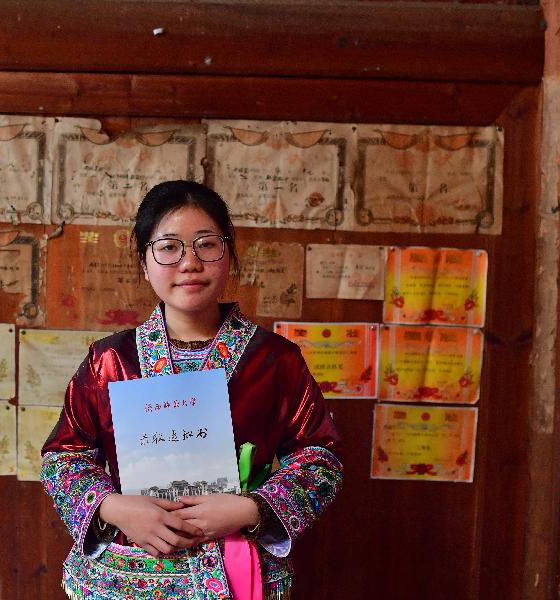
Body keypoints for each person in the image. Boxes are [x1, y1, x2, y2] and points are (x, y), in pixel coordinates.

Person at [42, 180, 343, 600]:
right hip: (124, 575)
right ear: (144, 262)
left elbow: (320, 459)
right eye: (169, 247)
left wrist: (251, 509)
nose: (189, 263)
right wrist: (113, 507)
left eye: (206, 245)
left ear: (229, 253)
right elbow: (63, 457)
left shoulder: (275, 361)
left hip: (237, 567)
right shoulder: (109, 361)